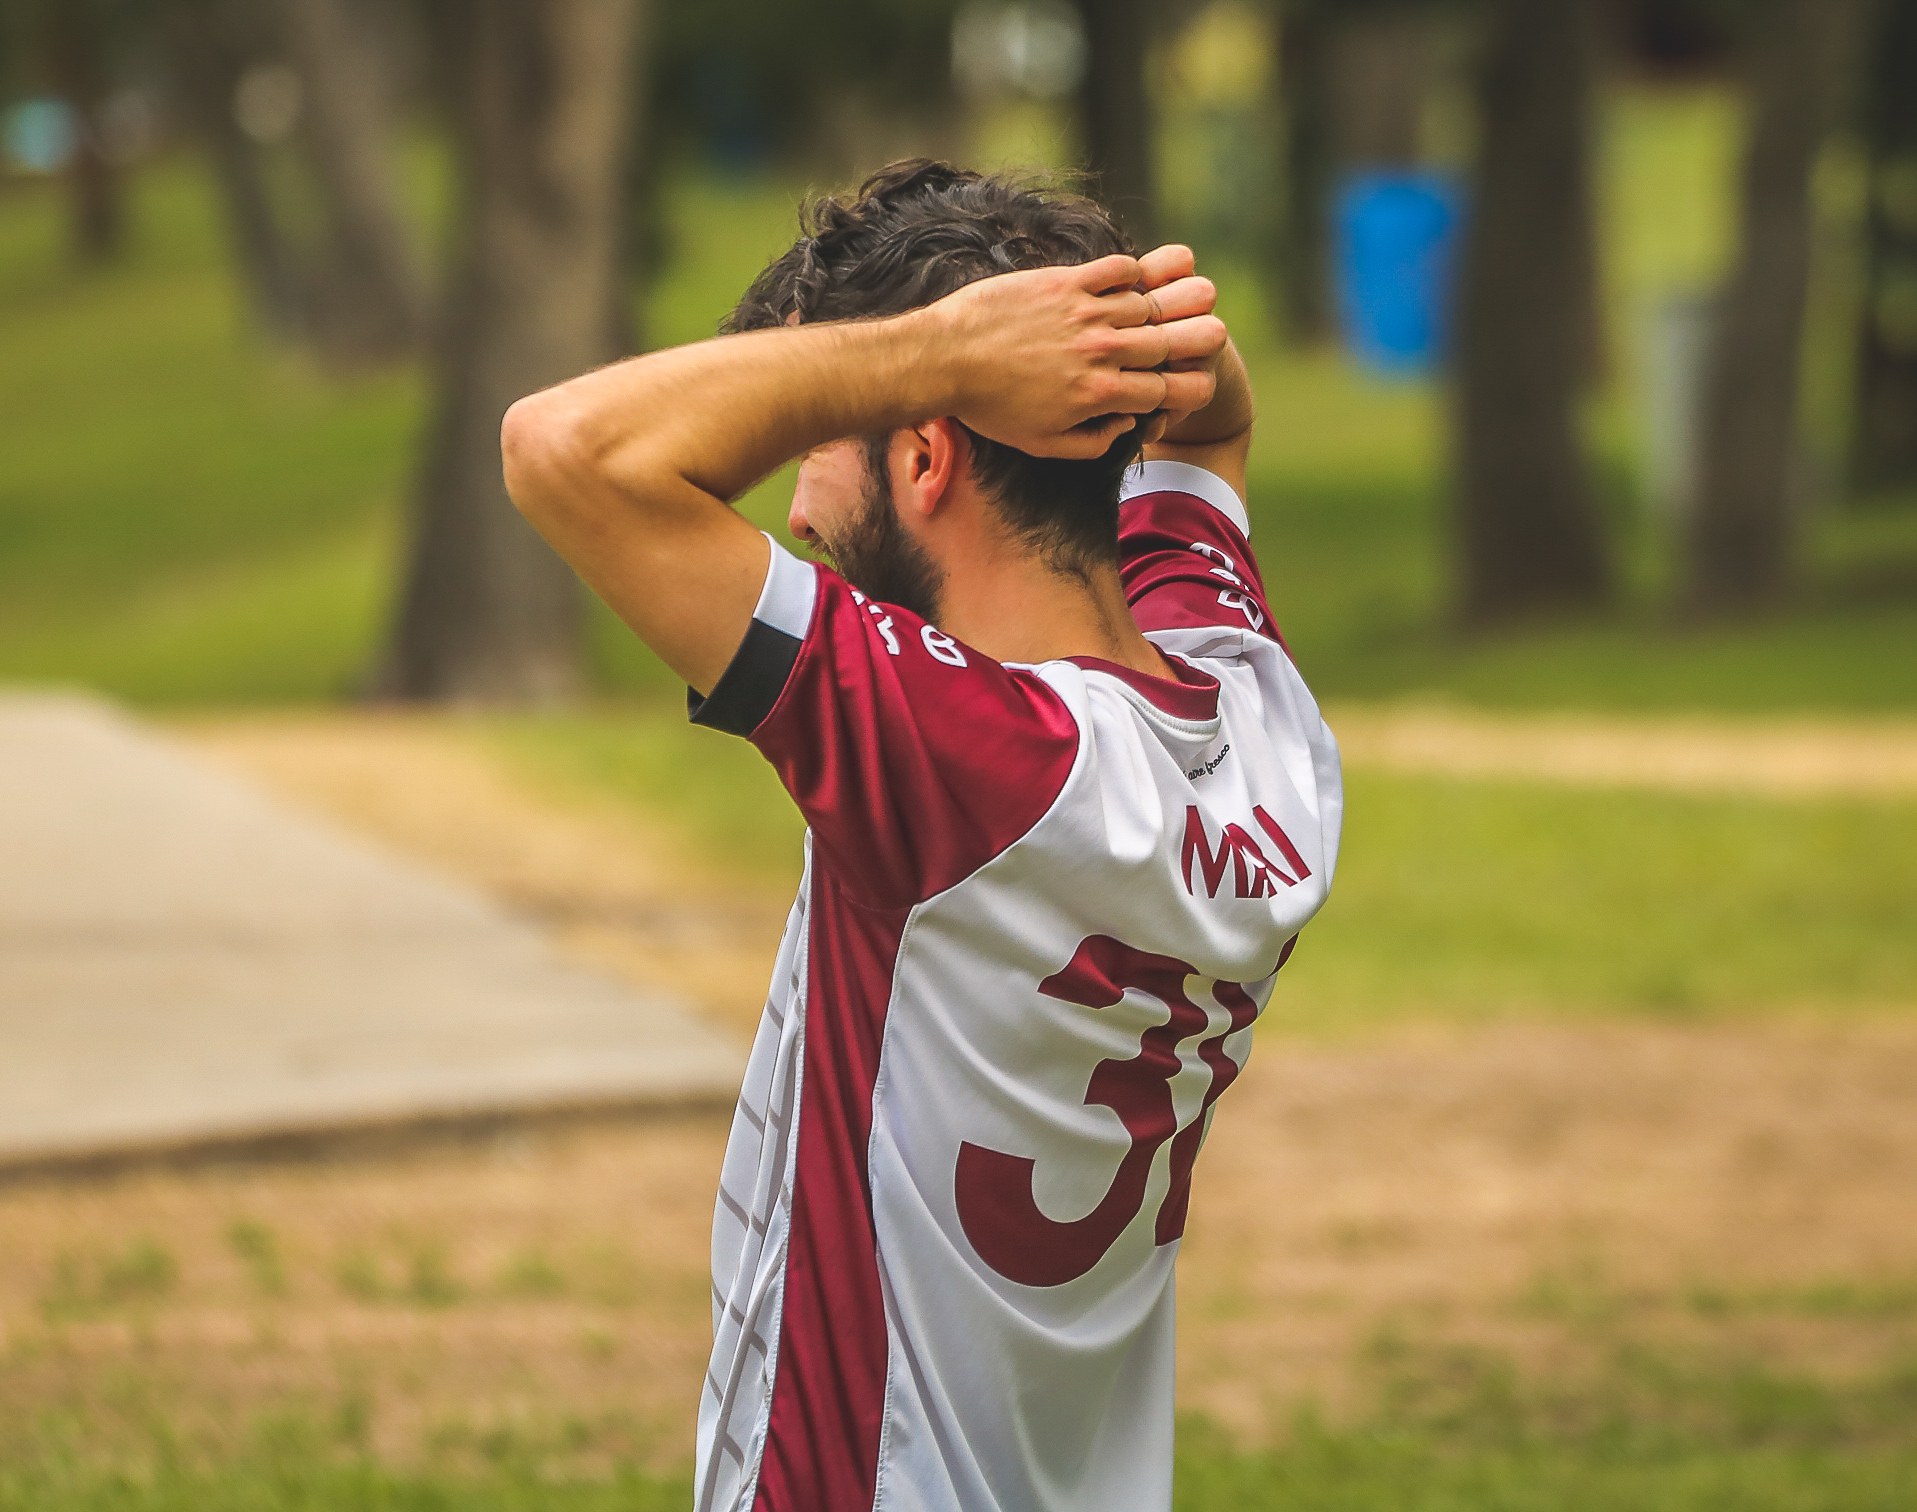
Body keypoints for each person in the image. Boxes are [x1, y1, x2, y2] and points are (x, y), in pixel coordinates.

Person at [500, 160, 1342, 1512]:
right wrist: (1107, 342)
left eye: (825, 444)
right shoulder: (1257, 725)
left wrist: (936, 352)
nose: (793, 516)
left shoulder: (967, 765)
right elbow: (1215, 433)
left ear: (927, 452)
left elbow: (564, 449)